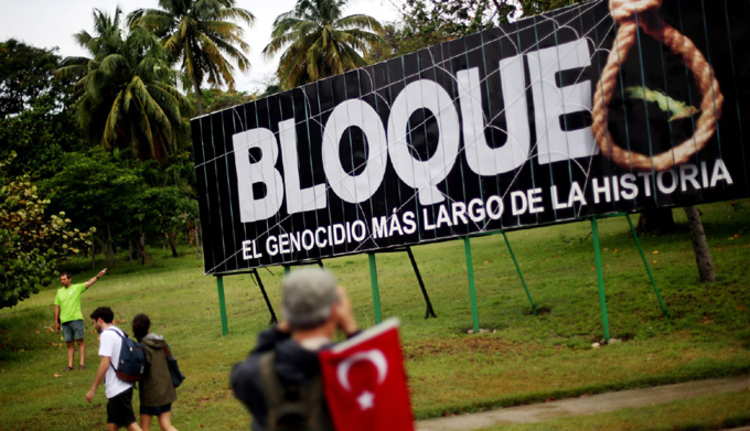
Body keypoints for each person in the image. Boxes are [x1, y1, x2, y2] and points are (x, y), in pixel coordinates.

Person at [231, 268, 359, 431]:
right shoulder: (352, 372)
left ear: (285, 312)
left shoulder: (251, 375)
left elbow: (252, 361)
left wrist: (282, 326)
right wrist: (352, 329)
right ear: (336, 310)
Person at [86, 306, 143, 431]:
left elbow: (105, 363)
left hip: (117, 388)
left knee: (130, 424)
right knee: (112, 424)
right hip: (124, 384)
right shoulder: (118, 332)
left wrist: (93, 388)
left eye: (94, 323)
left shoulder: (106, 335)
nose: (94, 326)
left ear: (100, 320)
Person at [53, 268, 108, 370]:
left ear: (70, 279)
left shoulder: (77, 288)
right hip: (65, 321)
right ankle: (70, 366)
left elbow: (89, 283)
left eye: (64, 279)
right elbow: (57, 306)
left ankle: (82, 364)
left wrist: (98, 276)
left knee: (80, 341)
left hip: (76, 319)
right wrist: (56, 321)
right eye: (61, 280)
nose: (62, 281)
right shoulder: (59, 292)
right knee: (69, 343)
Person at [131, 313, 178, 431]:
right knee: (166, 424)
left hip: (150, 393)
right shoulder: (161, 342)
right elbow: (170, 359)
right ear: (148, 326)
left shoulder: (141, 348)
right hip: (166, 389)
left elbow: (140, 371)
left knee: (144, 427)